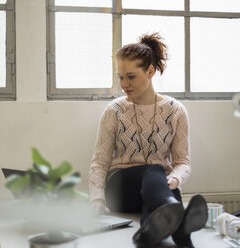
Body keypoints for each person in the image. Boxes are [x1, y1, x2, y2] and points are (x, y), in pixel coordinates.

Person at [88, 32, 208, 248]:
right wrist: (97, 198)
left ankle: (156, 233)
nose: (124, 84)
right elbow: (99, 162)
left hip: (158, 187)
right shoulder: (114, 111)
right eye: (120, 77)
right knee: (155, 170)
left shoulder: (175, 110)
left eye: (131, 76)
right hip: (121, 187)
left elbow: (183, 162)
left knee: (159, 194)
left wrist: (174, 181)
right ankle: (171, 207)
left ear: (150, 71)